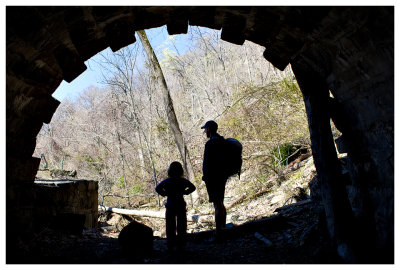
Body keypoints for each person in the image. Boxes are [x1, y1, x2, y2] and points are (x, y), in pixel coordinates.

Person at [155, 161, 196, 251]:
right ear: (181, 170)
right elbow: (193, 187)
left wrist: (165, 194)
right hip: (181, 205)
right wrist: (185, 192)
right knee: (182, 225)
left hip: (170, 205)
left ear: (170, 171)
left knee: (170, 226)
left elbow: (157, 188)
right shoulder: (183, 181)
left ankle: (171, 244)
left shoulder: (167, 181)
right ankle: (181, 244)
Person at [201, 120, 228, 240]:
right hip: (222, 177)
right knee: (221, 203)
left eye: (205, 129)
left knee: (217, 205)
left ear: (209, 129)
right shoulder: (222, 141)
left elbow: (207, 163)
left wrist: (205, 177)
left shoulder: (210, 144)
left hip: (213, 179)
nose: (205, 132)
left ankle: (218, 233)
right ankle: (223, 228)